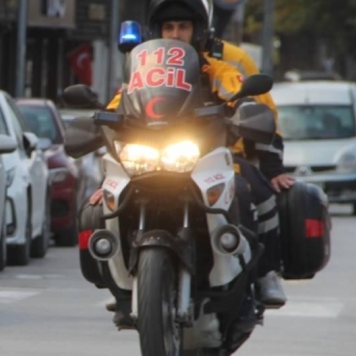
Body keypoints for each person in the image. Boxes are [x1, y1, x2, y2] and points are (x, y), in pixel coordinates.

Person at [99, 0, 289, 327]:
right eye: (168, 27)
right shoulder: (141, 76)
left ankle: (266, 273)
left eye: (183, 27)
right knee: (99, 206)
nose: (175, 33)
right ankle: (122, 285)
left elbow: (240, 94)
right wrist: (98, 119)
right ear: (157, 31)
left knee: (251, 190)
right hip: (149, 158)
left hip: (209, 156)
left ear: (198, 31)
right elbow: (117, 108)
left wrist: (241, 106)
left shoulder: (215, 69)